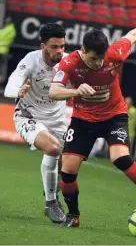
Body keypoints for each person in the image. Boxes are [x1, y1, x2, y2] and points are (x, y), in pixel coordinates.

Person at [49, 21, 136, 228]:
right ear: (83, 50)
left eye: (101, 58)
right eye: (94, 58)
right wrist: (76, 91)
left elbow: (133, 35)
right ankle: (73, 215)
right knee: (68, 171)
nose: (98, 63)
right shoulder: (69, 63)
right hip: (83, 119)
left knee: (121, 158)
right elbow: (53, 92)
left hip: (114, 115)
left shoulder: (114, 54)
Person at [4, 23, 68, 224]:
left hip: (58, 120)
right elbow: (10, 86)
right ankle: (51, 203)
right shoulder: (30, 60)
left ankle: (51, 190)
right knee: (52, 148)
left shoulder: (68, 62)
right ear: (43, 46)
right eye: (54, 47)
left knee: (64, 165)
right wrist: (18, 90)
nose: (60, 51)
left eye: (62, 46)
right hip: (29, 116)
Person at [0, 17, 16, 90]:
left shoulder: (8, 29)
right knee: (3, 70)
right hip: (4, 51)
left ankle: (1, 85)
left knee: (2, 70)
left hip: (3, 51)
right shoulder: (9, 29)